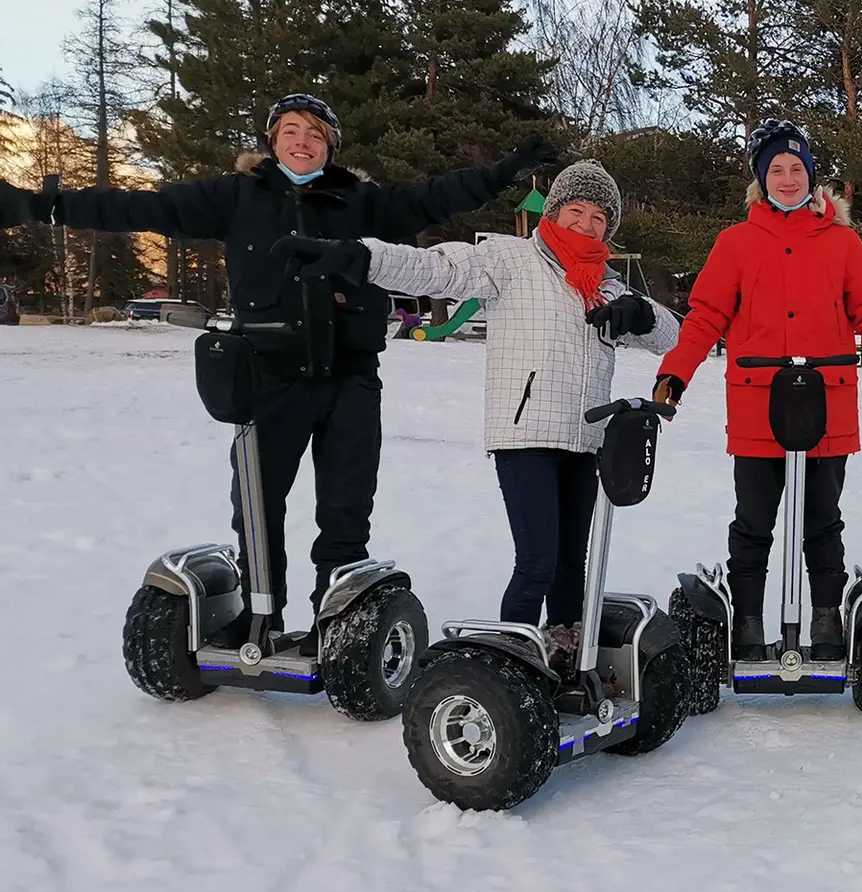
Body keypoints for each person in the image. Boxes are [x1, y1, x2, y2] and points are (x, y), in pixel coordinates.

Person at [0, 94, 556, 650]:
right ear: (272, 141)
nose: (301, 141)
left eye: (314, 133)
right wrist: (46, 206)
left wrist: (504, 172)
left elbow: (437, 196)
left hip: (350, 380)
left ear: (330, 146)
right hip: (268, 377)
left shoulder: (362, 202)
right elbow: (142, 207)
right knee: (258, 508)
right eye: (290, 131)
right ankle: (258, 616)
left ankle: (333, 626)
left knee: (345, 512)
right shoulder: (235, 196)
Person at [275, 161, 680, 670]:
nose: (587, 223)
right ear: (553, 212)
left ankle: (564, 654)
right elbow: (438, 268)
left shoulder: (608, 284)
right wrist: (359, 256)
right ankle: (508, 668)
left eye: (600, 217)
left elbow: (672, 335)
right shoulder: (509, 260)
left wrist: (642, 313)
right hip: (525, 435)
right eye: (576, 210)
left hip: (587, 439)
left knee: (570, 567)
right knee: (536, 564)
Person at [652, 119, 862, 661]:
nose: (788, 178)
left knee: (823, 519)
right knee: (754, 519)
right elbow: (705, 316)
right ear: (761, 178)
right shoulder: (736, 243)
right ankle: (747, 624)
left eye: (797, 168)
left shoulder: (843, 243)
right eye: (777, 169)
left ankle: (825, 623)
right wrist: (674, 373)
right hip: (756, 401)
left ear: (812, 176)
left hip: (828, 399)